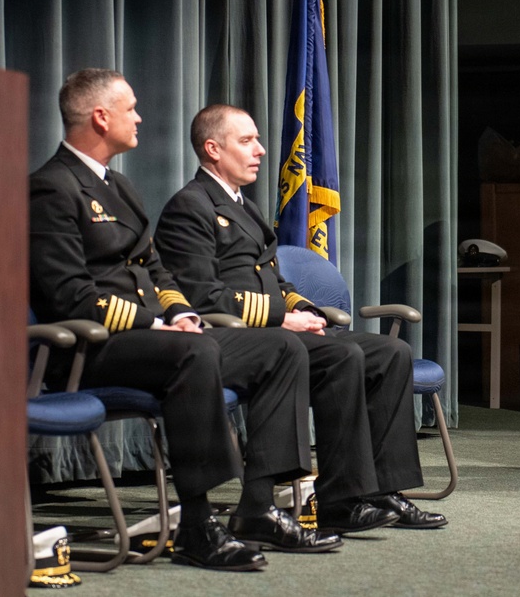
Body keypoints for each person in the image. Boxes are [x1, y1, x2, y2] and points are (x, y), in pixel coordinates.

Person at [29, 69, 342, 571]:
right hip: (87, 347)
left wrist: (183, 313)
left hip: (154, 338)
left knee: (279, 348)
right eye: (130, 108)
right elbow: (70, 298)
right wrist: (157, 325)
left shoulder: (121, 187)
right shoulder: (50, 188)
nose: (139, 118)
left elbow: (156, 269)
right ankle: (197, 523)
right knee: (190, 351)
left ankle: (258, 506)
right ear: (100, 117)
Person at [153, 104, 447, 532]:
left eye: (257, 139)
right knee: (343, 358)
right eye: (246, 140)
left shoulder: (248, 210)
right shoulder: (190, 207)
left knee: (390, 352)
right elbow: (201, 295)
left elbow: (275, 281)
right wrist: (280, 319)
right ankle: (340, 500)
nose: (260, 150)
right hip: (231, 339)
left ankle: (385, 490)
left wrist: (303, 309)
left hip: (276, 330)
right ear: (213, 149)